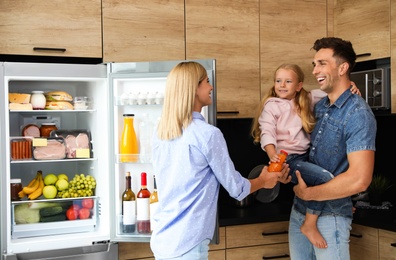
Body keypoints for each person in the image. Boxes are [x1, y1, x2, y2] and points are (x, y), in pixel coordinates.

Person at [149, 61, 291, 260]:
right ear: (194, 88)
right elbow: (237, 188)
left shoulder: (160, 131)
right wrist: (264, 180)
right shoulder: (207, 134)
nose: (211, 87)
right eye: (207, 81)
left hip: (163, 240)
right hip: (188, 244)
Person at [251, 63, 360, 248]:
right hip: (287, 160)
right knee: (324, 178)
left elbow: (332, 91)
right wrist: (272, 154)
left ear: (299, 86)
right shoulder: (272, 105)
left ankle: (339, 202)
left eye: (287, 81)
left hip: (306, 156)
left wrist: (351, 86)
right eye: (278, 81)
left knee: (332, 173)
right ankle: (309, 225)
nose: (282, 85)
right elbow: (267, 132)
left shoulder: (307, 98)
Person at [289, 37, 376, 259]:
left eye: (322, 63)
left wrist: (310, 193)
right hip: (300, 211)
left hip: (331, 217)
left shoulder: (358, 114)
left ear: (342, 68)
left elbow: (360, 179)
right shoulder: (320, 106)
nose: (315, 70)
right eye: (314, 64)